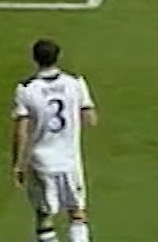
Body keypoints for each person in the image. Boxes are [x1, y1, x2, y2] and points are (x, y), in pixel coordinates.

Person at [11, 38, 97, 242]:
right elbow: (90, 119)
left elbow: (21, 131)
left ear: (34, 58)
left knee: (45, 216)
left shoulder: (26, 88)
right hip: (70, 160)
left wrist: (18, 164)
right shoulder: (75, 82)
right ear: (58, 57)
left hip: (41, 162)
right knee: (77, 212)